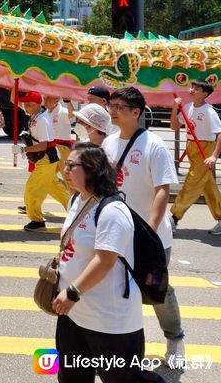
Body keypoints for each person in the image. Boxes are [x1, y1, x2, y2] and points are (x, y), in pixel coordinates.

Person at [53, 143, 165, 383]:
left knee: (124, 378)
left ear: (92, 169)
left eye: (72, 165)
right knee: (71, 376)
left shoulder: (113, 210)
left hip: (109, 320)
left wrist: (72, 292)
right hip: (74, 314)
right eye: (66, 164)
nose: (65, 170)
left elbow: (105, 261)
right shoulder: (77, 200)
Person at [104, 86, 185, 365]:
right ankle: (124, 346)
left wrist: (150, 230)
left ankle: (175, 338)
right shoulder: (109, 143)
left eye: (118, 107)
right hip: (117, 235)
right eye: (111, 106)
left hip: (152, 236)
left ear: (135, 112)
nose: (112, 111)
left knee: (157, 290)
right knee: (119, 289)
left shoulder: (153, 145)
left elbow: (163, 189)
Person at [169, 79, 221, 235]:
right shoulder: (187, 107)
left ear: (205, 94)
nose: (191, 90)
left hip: (205, 148)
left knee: (191, 182)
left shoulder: (208, 111)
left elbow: (219, 133)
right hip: (192, 147)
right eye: (192, 87)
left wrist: (213, 156)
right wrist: (174, 108)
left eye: (196, 89)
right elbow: (174, 126)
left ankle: (174, 217)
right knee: (208, 186)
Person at [17, 91, 70, 231]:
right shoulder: (35, 115)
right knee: (55, 188)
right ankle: (75, 212)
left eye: (28, 104)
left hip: (46, 158)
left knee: (32, 189)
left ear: (36, 105)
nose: (25, 107)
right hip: (47, 157)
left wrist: (23, 150)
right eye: (24, 104)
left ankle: (37, 221)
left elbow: (43, 144)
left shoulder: (42, 119)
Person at [45, 94, 74, 175]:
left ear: (56, 100)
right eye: (44, 98)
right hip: (49, 147)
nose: (45, 101)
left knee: (66, 176)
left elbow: (71, 114)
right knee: (49, 175)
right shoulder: (45, 113)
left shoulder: (63, 111)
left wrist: (68, 102)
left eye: (47, 98)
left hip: (62, 148)